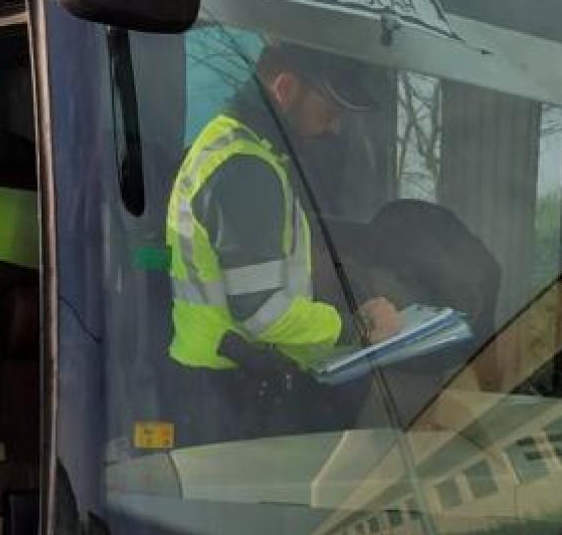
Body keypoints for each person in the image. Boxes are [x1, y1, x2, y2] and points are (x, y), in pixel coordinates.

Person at [165, 42, 400, 381]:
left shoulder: (230, 147)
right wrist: (357, 328)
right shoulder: (246, 169)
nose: (335, 127)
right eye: (330, 111)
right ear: (286, 89)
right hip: (230, 386)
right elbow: (261, 313)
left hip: (214, 371)